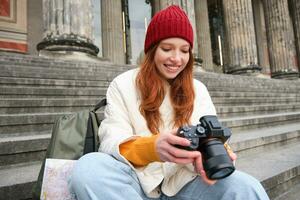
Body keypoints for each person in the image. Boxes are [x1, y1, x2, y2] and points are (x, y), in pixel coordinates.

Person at [69, 5, 269, 200]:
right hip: (135, 182)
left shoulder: (198, 89)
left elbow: (210, 134)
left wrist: (215, 153)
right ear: (152, 50)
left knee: (246, 187)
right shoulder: (122, 84)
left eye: (184, 50)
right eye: (167, 48)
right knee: (89, 168)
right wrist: (153, 147)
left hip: (185, 181)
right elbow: (110, 142)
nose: (176, 58)